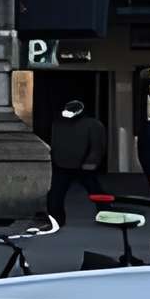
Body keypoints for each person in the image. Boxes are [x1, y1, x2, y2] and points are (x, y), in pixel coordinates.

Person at [39, 99, 107, 233]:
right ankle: (56, 219)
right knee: (55, 195)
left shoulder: (92, 125)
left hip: (83, 165)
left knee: (95, 191)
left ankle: (107, 214)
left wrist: (92, 161)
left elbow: (97, 146)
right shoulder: (58, 124)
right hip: (62, 164)